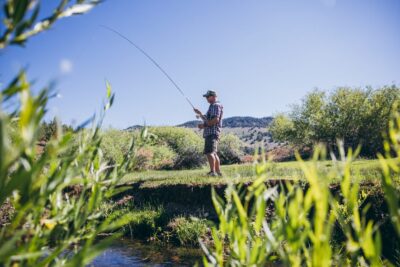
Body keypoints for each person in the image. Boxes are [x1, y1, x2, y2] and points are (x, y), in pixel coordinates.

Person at [194, 90, 224, 177]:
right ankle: (218, 172)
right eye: (206, 97)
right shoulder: (212, 106)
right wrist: (199, 114)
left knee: (209, 152)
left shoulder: (215, 105)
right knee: (213, 153)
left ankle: (212, 172)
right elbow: (208, 119)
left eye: (208, 97)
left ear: (213, 96)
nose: (206, 98)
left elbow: (215, 120)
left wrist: (203, 126)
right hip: (213, 132)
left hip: (212, 132)